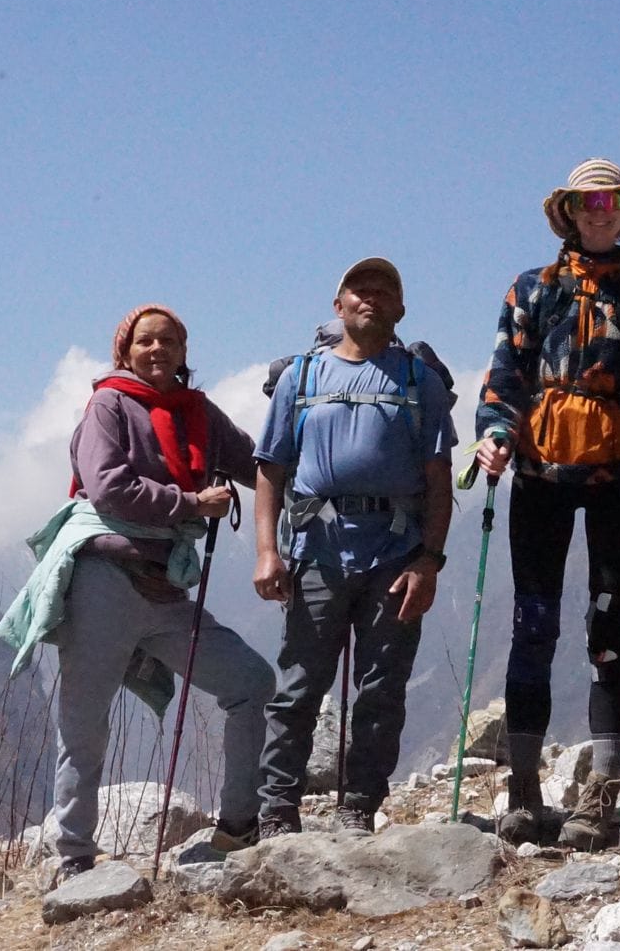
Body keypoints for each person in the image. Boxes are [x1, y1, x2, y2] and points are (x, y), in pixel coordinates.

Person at [0, 304, 275, 878]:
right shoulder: (109, 404)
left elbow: (256, 462)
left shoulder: (197, 411)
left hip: (163, 589)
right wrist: (193, 505)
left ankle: (241, 822)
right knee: (84, 724)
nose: (157, 350)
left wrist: (304, 439)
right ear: (124, 351)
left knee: (251, 682)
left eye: (169, 341)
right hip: (103, 580)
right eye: (145, 341)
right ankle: (74, 855)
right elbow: (107, 486)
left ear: (183, 351)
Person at [473, 158, 620, 850]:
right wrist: (496, 435)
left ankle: (600, 794)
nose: (601, 209)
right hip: (539, 477)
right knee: (533, 626)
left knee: (610, 631)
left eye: (613, 199)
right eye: (588, 200)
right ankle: (524, 791)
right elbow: (506, 374)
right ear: (568, 211)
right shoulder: (531, 290)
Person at [252, 256, 455, 838]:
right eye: (358, 290)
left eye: (384, 290)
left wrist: (429, 560)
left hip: (395, 555)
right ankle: (276, 813)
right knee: (297, 687)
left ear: (400, 309)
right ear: (337, 306)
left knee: (381, 688)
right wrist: (267, 551)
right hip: (316, 551)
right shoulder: (302, 377)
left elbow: (438, 477)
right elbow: (270, 468)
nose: (371, 298)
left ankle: (358, 807)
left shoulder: (421, 381)